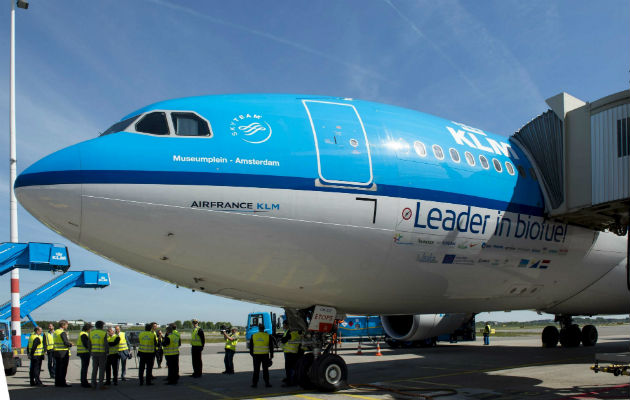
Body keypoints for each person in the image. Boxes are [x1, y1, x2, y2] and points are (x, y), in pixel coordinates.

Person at [249, 323, 273, 388]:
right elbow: (271, 347)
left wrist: (253, 355)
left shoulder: (254, 335)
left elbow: (251, 347)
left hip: (256, 355)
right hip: (265, 355)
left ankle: (254, 384)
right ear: (264, 328)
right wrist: (271, 355)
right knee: (265, 370)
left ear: (259, 328)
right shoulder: (268, 336)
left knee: (256, 370)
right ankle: (267, 383)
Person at [53, 319, 74, 387]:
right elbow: (65, 342)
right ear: (63, 325)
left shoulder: (56, 332)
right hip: (63, 352)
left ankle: (57, 382)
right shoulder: (62, 332)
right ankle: (62, 382)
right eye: (67, 324)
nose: (67, 326)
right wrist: (70, 344)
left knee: (58, 368)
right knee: (63, 368)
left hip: (56, 351)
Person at [280, 321, 301, 387]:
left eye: (283, 325)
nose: (283, 326)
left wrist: (282, 339)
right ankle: (295, 381)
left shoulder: (290, 333)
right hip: (295, 352)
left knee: (288, 368)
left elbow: (283, 340)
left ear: (287, 325)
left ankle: (289, 382)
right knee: (294, 368)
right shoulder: (297, 333)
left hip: (289, 353)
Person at [89, 320, 108, 390]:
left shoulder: (91, 333)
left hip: (94, 353)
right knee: (101, 369)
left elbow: (89, 344)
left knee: (94, 369)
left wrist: (90, 351)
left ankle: (93, 384)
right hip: (102, 353)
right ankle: (101, 384)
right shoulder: (103, 333)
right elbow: (106, 344)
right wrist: (107, 351)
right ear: (102, 326)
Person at [77, 322, 92, 388]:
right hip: (84, 353)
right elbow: (86, 345)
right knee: (84, 368)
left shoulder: (82, 334)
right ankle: (84, 382)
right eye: (90, 329)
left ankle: (83, 381)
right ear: (88, 329)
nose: (90, 330)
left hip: (82, 352)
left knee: (84, 367)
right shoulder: (84, 334)